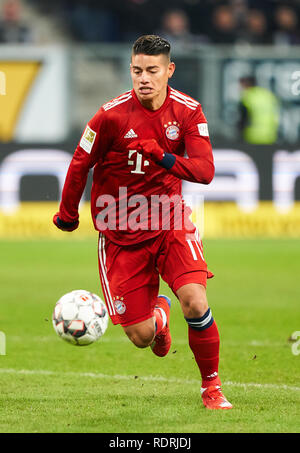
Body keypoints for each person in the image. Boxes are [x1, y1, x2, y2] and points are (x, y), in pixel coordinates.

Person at [53, 34, 233, 410]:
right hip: (120, 233)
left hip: (170, 221)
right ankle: (159, 315)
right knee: (140, 335)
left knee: (196, 303)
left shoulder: (188, 112)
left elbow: (205, 171)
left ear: (169, 70)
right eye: (137, 70)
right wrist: (67, 213)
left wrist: (164, 157)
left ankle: (211, 387)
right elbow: (80, 162)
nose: (144, 78)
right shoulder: (110, 115)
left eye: (152, 70)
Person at [238, 75, 280, 144]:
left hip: (252, 136)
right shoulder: (268, 95)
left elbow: (243, 119)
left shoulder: (247, 96)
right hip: (271, 136)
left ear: (245, 84)